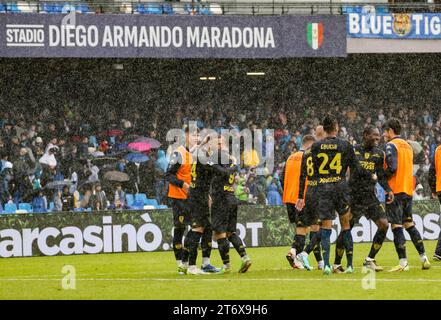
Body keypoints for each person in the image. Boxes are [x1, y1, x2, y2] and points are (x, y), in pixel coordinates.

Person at [296, 115, 367, 275]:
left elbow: (309, 172)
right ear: (336, 128)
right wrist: (369, 177)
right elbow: (356, 169)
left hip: (323, 189)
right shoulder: (345, 145)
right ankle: (349, 265)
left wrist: (304, 193)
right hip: (340, 187)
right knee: (346, 226)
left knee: (326, 227)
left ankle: (326, 265)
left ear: (324, 128)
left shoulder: (315, 147)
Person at [333, 126, 394, 273]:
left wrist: (388, 189)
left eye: (378, 136)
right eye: (374, 135)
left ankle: (369, 260)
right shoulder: (353, 150)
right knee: (346, 229)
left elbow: (380, 175)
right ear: (365, 135)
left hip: (370, 197)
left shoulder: (379, 154)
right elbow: (345, 170)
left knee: (384, 225)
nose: (377, 138)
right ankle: (336, 264)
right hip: (354, 197)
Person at [166, 128, 217, 275]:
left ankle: (205, 262)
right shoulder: (179, 153)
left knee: (204, 227)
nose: (196, 137)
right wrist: (183, 184)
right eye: (193, 135)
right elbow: (168, 175)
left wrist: (205, 194)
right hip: (179, 198)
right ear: (186, 136)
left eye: (197, 135)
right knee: (180, 229)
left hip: (194, 198)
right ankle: (181, 264)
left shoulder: (196, 153)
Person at [383, 118, 430, 271]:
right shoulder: (408, 146)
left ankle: (403, 262)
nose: (384, 134)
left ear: (390, 131)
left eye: (385, 131)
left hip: (394, 191)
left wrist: (381, 176)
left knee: (396, 226)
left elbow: (392, 168)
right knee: (409, 224)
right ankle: (424, 257)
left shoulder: (391, 145)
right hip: (407, 190)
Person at [210, 134, 252, 273]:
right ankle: (245, 258)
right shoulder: (231, 159)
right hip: (231, 198)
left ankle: (226, 266)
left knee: (220, 233)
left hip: (221, 199)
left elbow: (221, 172)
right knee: (231, 232)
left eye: (219, 143)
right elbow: (230, 171)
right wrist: (234, 166)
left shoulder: (216, 158)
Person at [280, 134, 316, 271]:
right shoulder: (308, 158)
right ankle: (295, 252)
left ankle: (296, 259)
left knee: (301, 229)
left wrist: (288, 191)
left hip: (289, 198)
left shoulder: (290, 157)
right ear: (310, 145)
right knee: (308, 229)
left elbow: (281, 178)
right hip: (303, 199)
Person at [427, 142, 441, 261]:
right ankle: (439, 252)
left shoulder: (438, 150)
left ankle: (439, 252)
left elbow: (431, 172)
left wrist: (433, 189)